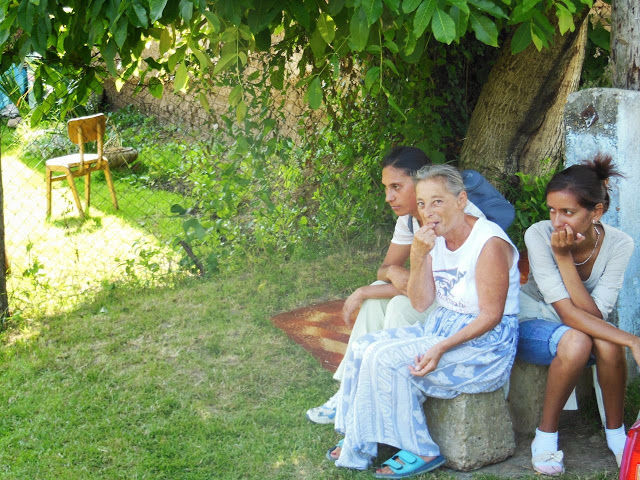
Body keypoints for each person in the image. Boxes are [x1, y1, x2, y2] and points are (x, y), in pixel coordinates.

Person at [325, 164, 520, 478]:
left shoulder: (488, 243)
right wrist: (418, 255)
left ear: (461, 200)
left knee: (389, 360)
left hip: (485, 344)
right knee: (364, 347)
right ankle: (361, 435)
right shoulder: (434, 237)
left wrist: (441, 347)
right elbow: (420, 302)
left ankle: (421, 449)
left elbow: (491, 316)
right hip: (443, 326)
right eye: (422, 203)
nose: (429, 212)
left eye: (437, 201)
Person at [305, 146, 505, 424]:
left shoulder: (453, 216)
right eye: (387, 188)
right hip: (431, 295)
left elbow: (440, 286)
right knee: (376, 299)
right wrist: (389, 275)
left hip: (456, 305)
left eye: (396, 187)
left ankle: (387, 388)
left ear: (420, 181)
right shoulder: (408, 220)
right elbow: (385, 268)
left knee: (398, 305)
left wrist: (375, 285)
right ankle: (350, 390)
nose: (389, 197)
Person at [516, 154, 640, 475]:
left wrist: (565, 260)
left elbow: (596, 313)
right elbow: (567, 313)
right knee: (579, 341)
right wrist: (633, 341)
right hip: (532, 321)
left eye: (567, 212)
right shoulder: (538, 234)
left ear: (596, 212)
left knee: (607, 342)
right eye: (552, 210)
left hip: (581, 322)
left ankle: (617, 436)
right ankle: (545, 436)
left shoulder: (620, 244)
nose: (556, 221)